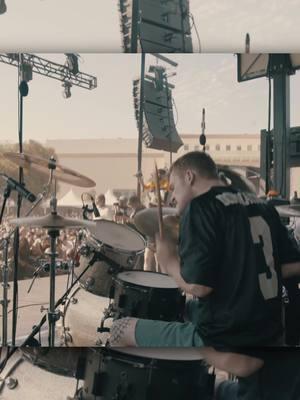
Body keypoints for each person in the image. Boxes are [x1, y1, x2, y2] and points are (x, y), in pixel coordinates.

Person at [109, 151, 300, 348]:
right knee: (178, 308)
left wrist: (169, 260)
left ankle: (188, 378)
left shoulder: (201, 206)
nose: (172, 198)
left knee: (120, 329)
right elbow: (292, 265)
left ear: (189, 177)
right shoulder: (263, 206)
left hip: (225, 335)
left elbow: (199, 287)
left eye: (173, 188)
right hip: (268, 331)